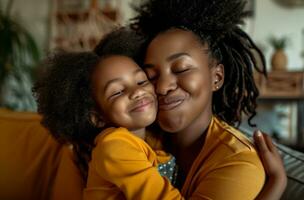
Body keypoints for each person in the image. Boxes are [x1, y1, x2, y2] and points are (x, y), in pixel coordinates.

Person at [127, 0, 287, 199]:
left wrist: (276, 184)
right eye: (150, 76)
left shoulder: (236, 161)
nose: (162, 86)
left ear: (217, 77)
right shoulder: (138, 139)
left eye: (181, 69)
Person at [33, 28, 182, 199]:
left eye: (141, 81)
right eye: (117, 92)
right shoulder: (114, 147)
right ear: (98, 117)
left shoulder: (151, 140)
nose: (137, 92)